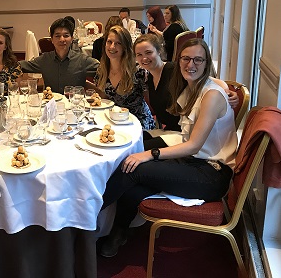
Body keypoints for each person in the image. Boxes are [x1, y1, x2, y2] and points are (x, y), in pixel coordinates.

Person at [99, 38, 237, 258]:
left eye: (198, 60)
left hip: (211, 173)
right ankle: (117, 234)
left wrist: (150, 154)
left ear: (206, 62)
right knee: (135, 179)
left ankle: (85, 217)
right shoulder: (192, 87)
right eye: (186, 59)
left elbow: (193, 145)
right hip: (193, 163)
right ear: (178, 60)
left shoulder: (211, 95)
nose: (191, 65)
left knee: (136, 167)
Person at [133, 34, 239, 142]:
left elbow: (209, 79)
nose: (144, 58)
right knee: (134, 140)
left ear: (159, 51)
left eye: (148, 52)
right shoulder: (150, 77)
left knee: (138, 148)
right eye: (139, 55)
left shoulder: (174, 70)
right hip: (169, 131)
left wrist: (227, 92)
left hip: (183, 134)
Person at [93, 26, 155, 130]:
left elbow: (152, 101)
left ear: (125, 46)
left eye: (118, 43)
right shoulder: (102, 69)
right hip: (113, 121)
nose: (112, 47)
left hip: (137, 123)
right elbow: (104, 98)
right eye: (109, 42)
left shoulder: (137, 71)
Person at [20, 17, 99, 93]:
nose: (62, 39)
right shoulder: (44, 60)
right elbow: (20, 66)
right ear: (52, 39)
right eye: (57, 36)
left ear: (72, 39)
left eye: (66, 36)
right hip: (51, 103)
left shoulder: (82, 60)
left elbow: (104, 69)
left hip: (75, 104)